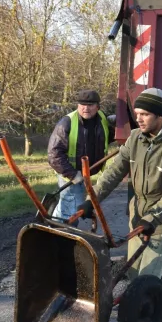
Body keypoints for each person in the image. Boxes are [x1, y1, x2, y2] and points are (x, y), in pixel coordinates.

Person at [77, 88, 162, 322]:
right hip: (138, 216)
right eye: (137, 114)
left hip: (161, 221)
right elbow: (115, 171)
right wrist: (90, 201)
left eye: (145, 114)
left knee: (143, 280)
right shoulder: (136, 139)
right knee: (134, 276)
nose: (139, 119)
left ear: (160, 116)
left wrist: (153, 218)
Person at [47, 89, 114, 224]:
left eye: (90, 105)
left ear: (97, 107)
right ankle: (65, 239)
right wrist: (73, 174)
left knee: (67, 203)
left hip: (86, 172)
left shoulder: (102, 119)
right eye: (82, 104)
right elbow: (54, 154)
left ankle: (52, 226)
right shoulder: (67, 122)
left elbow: (108, 137)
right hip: (70, 173)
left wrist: (117, 124)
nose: (85, 108)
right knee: (72, 210)